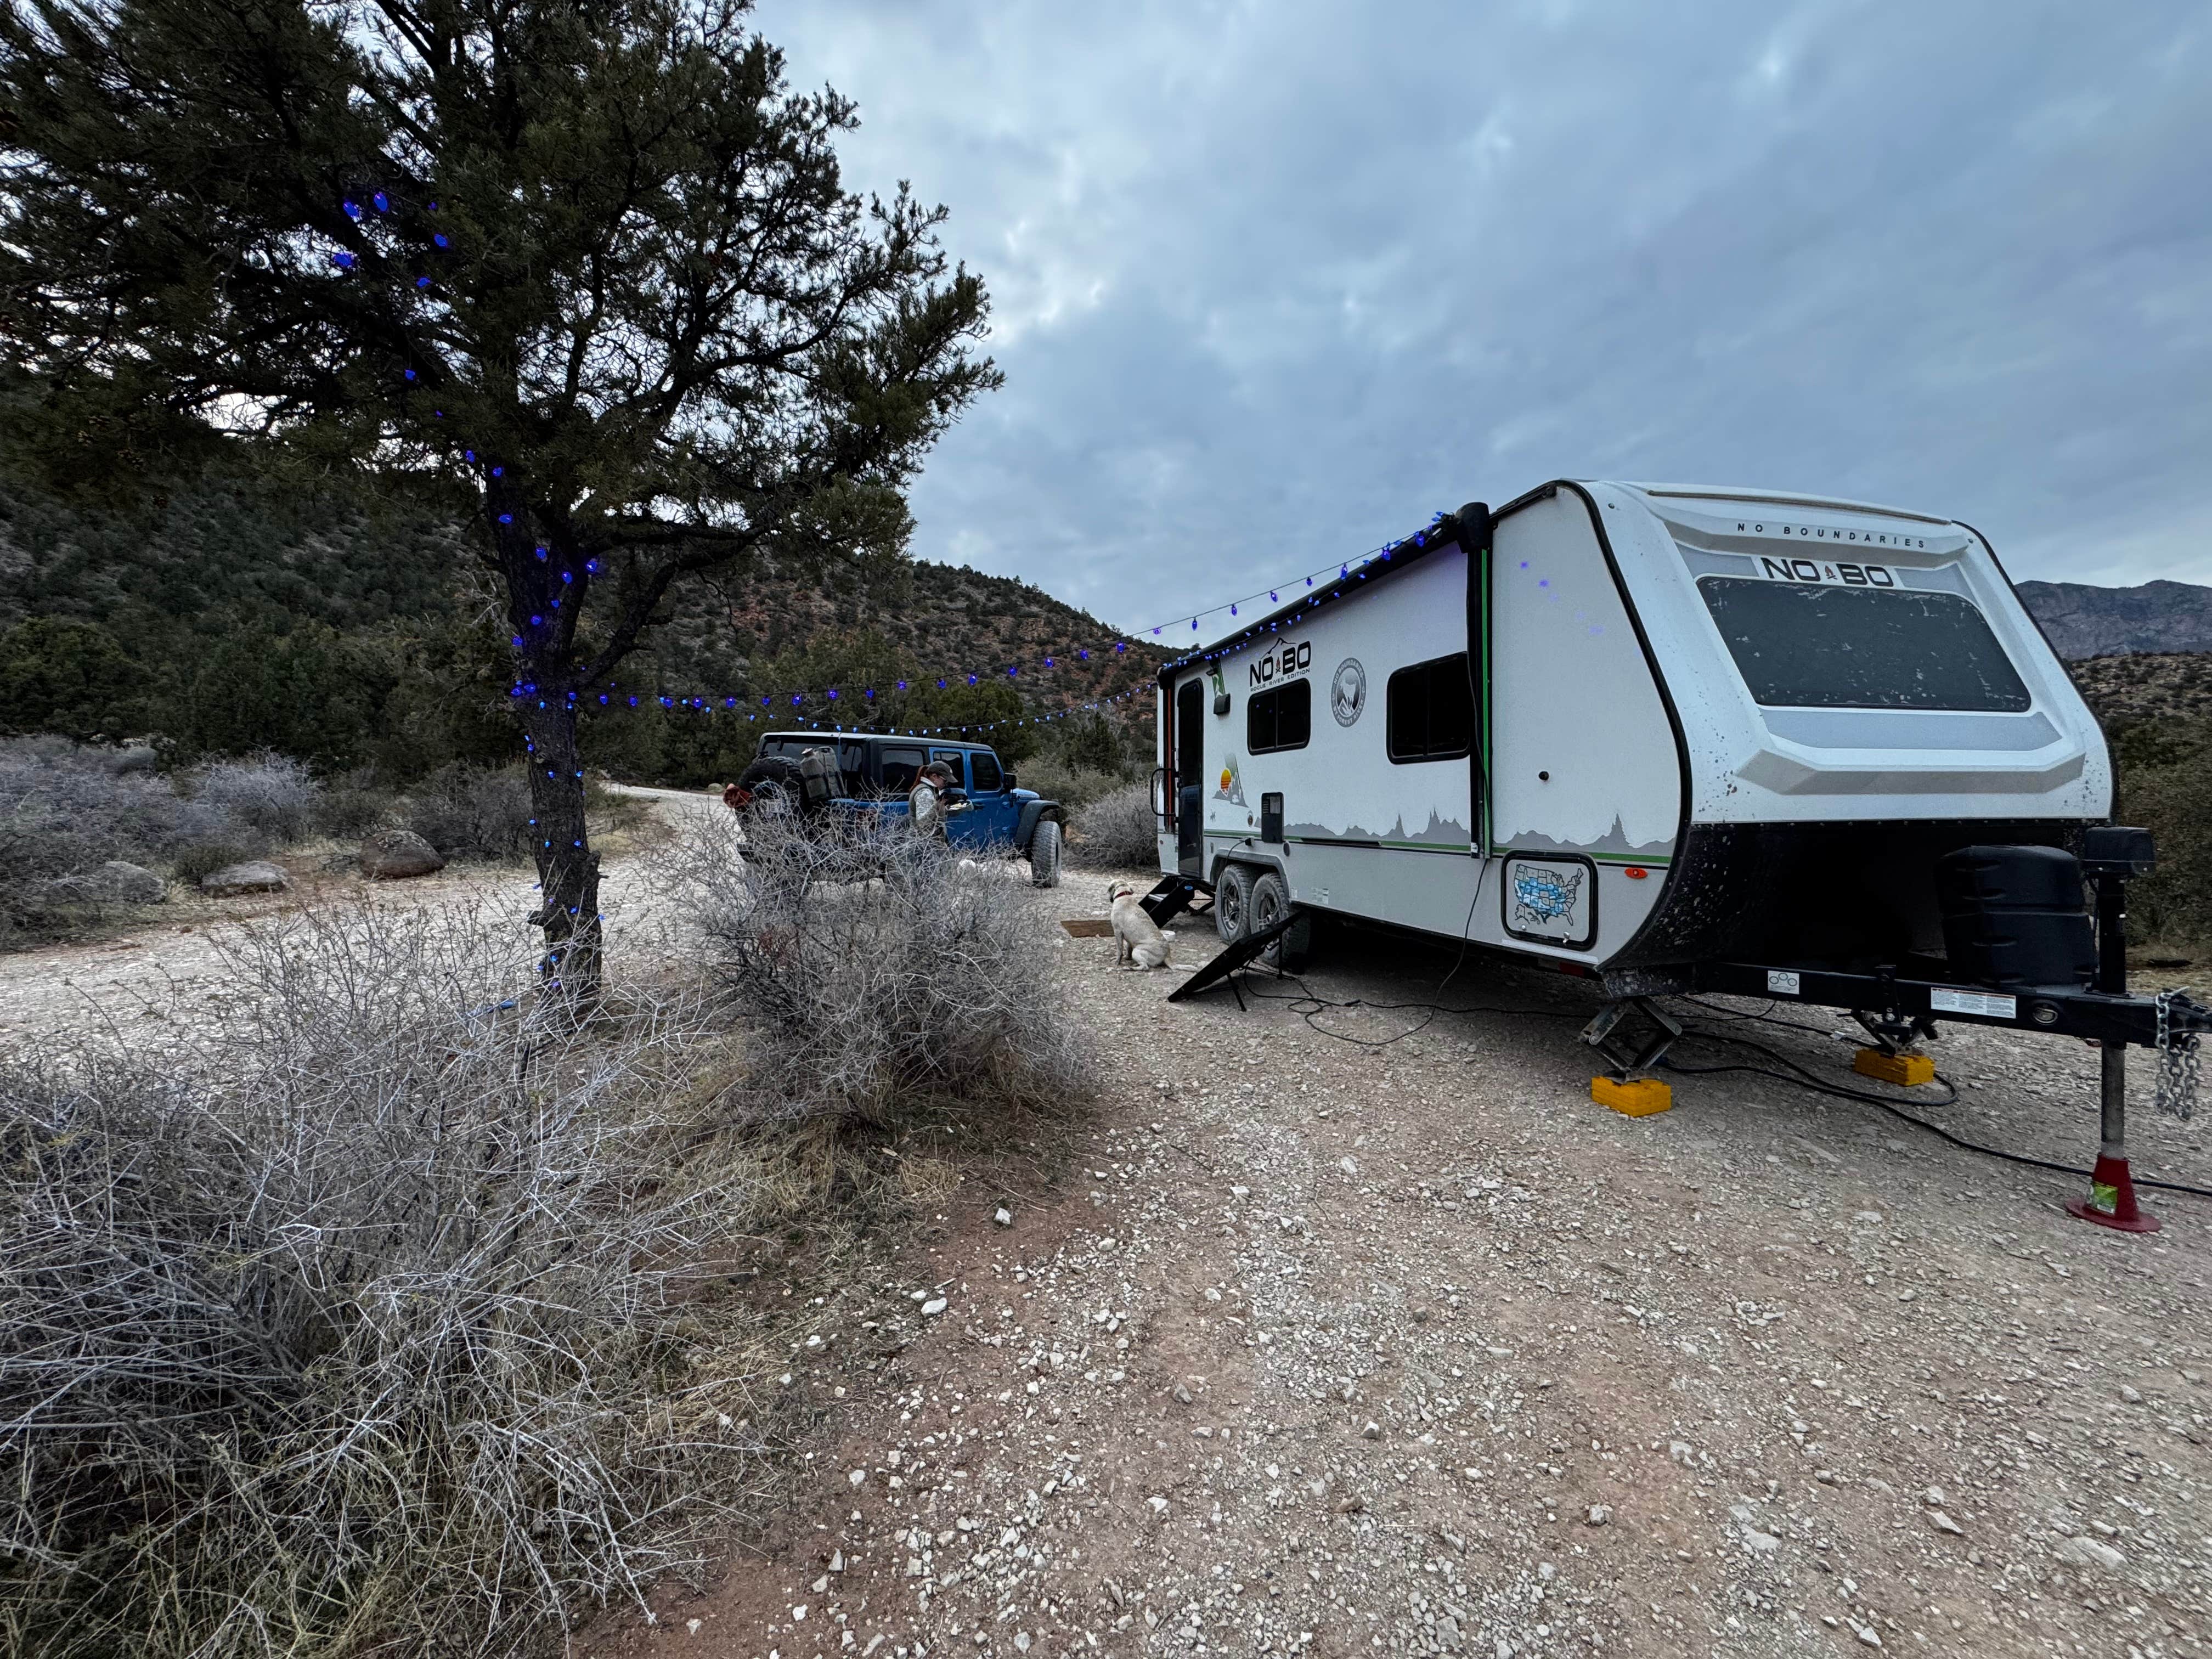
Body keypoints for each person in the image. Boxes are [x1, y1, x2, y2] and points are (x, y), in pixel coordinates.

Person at [907, 761, 955, 839]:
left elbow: (933, 819)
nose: (946, 784)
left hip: (927, 842)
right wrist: (936, 807)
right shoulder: (925, 792)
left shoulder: (931, 790)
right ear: (934, 776)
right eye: (945, 780)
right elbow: (923, 824)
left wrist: (941, 809)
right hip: (922, 844)